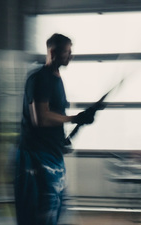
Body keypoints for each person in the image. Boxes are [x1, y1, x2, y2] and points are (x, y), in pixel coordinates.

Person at [14, 33, 95, 225]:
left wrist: (62, 141)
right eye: (67, 52)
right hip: (36, 158)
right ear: (52, 52)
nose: (70, 56)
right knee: (42, 213)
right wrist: (75, 118)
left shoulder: (56, 79)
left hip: (52, 154)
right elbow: (40, 118)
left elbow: (54, 119)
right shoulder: (40, 78)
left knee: (57, 210)